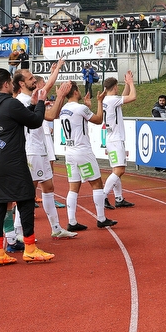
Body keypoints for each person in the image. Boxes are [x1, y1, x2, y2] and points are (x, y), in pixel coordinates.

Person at [0, 67, 54, 266]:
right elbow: (35, 122)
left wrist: (30, 106)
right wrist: (39, 103)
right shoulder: (10, 103)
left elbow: (15, 120)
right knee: (26, 200)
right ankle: (30, 249)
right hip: (13, 161)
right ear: (6, 84)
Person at [13, 64, 78, 240]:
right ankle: (18, 231)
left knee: (48, 187)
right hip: (30, 151)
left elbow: (53, 113)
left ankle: (56, 227)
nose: (34, 80)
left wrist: (58, 93)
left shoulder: (31, 98)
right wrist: (61, 95)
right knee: (28, 193)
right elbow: (50, 115)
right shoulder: (23, 101)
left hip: (39, 149)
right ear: (21, 83)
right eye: (30, 78)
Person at [60, 83, 117, 230]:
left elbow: (80, 120)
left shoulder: (64, 109)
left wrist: (87, 106)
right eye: (78, 89)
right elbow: (98, 120)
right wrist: (99, 101)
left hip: (70, 152)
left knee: (73, 187)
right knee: (96, 184)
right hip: (83, 151)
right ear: (75, 92)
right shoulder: (80, 108)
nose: (80, 91)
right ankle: (101, 218)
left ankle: (72, 221)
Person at [100, 71, 137, 210]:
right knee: (120, 170)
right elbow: (132, 97)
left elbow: (123, 97)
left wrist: (127, 84)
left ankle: (118, 198)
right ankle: (103, 195)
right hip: (116, 139)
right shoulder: (111, 100)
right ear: (115, 87)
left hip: (110, 138)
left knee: (116, 169)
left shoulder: (106, 100)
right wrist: (131, 83)